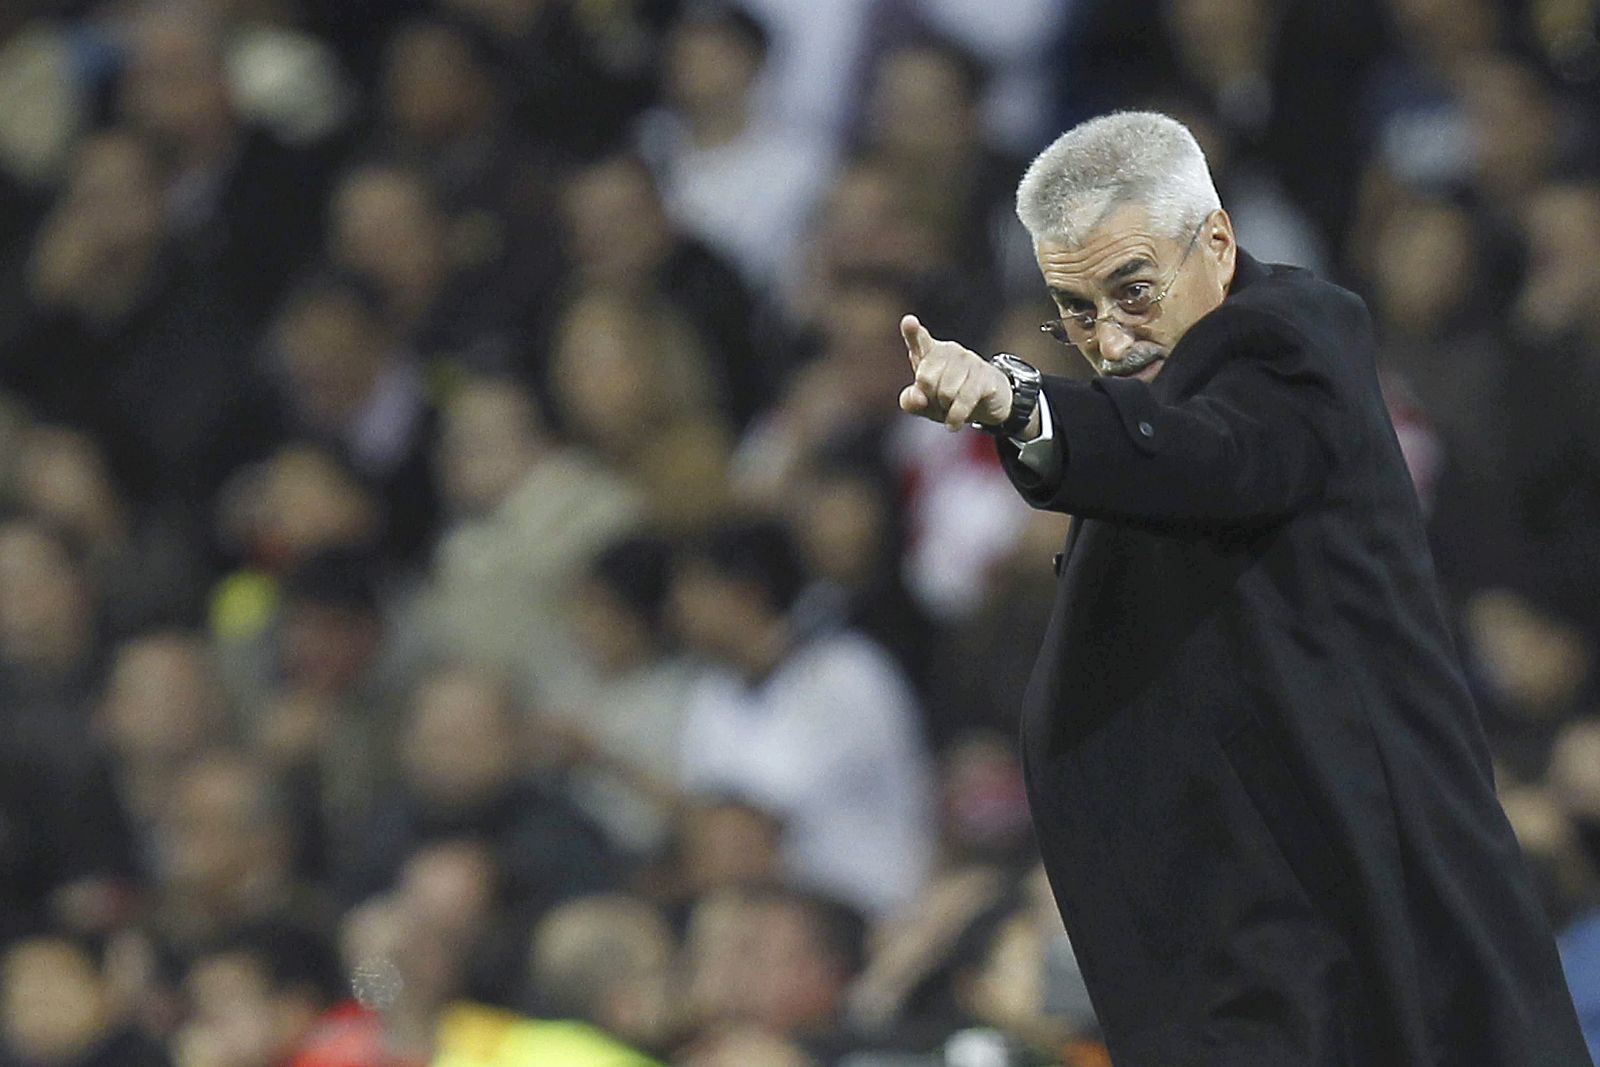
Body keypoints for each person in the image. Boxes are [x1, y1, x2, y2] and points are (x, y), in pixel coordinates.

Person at [896, 110, 1589, 1064]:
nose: (1108, 336)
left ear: (1216, 241)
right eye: (1078, 307)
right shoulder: (1170, 397)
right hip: (1264, 930)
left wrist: (1020, 401)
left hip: (1345, 926)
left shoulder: (1287, 339)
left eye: (1133, 289)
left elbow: (1216, 460)